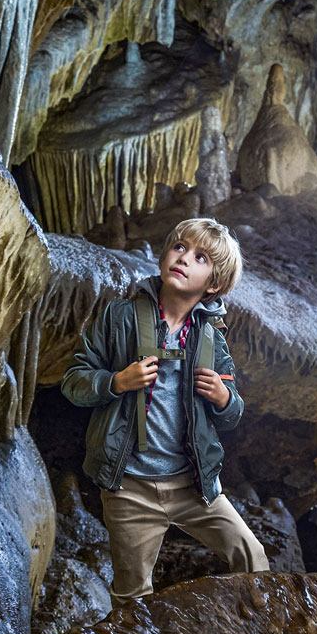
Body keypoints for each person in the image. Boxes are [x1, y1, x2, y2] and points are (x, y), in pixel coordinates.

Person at [61, 217, 269, 606]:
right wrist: (115, 382)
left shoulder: (210, 337)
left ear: (214, 284)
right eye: (179, 247)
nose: (184, 258)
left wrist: (224, 399)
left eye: (200, 256)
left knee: (252, 557)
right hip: (130, 487)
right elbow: (73, 381)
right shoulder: (119, 317)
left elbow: (233, 414)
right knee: (131, 599)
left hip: (194, 486)